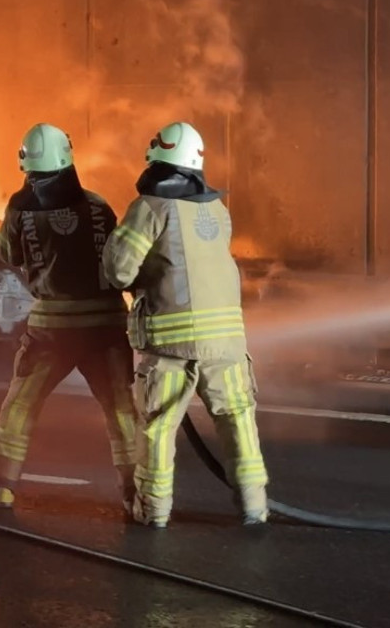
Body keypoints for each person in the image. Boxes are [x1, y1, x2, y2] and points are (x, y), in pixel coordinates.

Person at [101, 120, 269, 528]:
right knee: (238, 418)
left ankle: (153, 511)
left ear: (155, 160)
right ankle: (254, 507)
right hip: (227, 342)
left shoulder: (149, 208)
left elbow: (118, 272)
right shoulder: (217, 209)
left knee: (158, 428)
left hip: (171, 345)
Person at [0, 122, 139, 511]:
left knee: (21, 405)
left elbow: (8, 252)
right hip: (106, 324)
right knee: (121, 409)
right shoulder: (99, 205)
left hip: (52, 329)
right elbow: (119, 260)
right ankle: (137, 493)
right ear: (67, 157)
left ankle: (0, 486)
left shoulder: (21, 207)